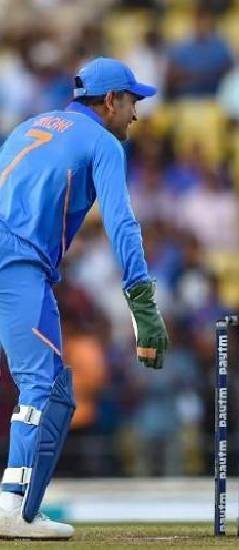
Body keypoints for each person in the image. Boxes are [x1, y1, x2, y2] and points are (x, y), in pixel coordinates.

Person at [0, 57, 168, 539]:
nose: (136, 113)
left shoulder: (33, 124)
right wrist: (142, 303)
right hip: (17, 262)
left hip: (22, 264)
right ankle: (10, 507)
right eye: (133, 100)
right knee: (38, 385)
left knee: (56, 388)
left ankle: (25, 512)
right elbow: (121, 223)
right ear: (111, 101)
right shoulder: (103, 143)